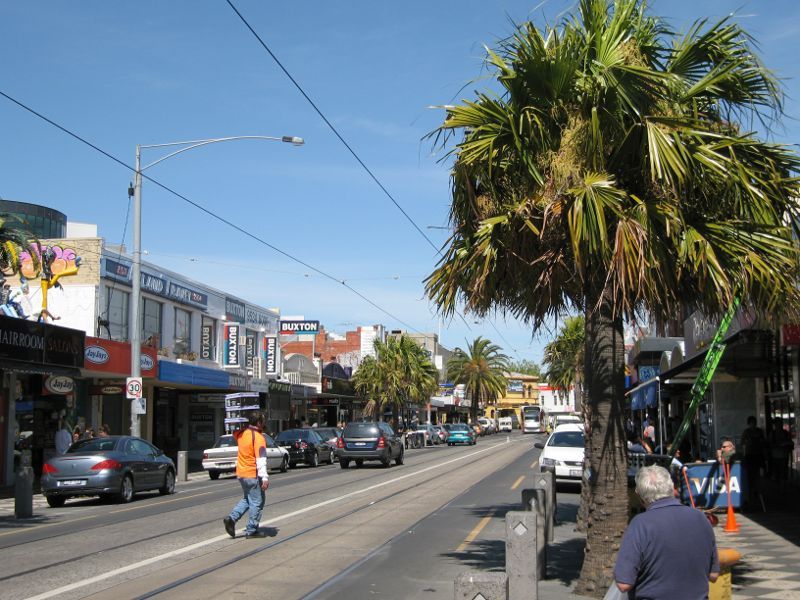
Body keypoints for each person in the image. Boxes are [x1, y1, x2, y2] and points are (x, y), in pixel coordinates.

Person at [614, 465, 719, 599]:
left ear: (640, 496)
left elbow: (624, 583)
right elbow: (713, 575)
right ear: (672, 488)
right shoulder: (701, 518)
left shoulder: (640, 524)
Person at [223, 411, 270, 539]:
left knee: (247, 499)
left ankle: (231, 519)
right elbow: (261, 459)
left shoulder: (242, 434)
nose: (264, 423)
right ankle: (252, 530)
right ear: (259, 422)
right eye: (263, 421)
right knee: (257, 501)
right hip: (252, 473)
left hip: (241, 473)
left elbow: (235, 432)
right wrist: (264, 477)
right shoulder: (259, 438)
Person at [739, 416, 766, 508]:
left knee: (757, 475)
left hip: (758, 455)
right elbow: (742, 443)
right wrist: (747, 444)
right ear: (749, 423)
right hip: (750, 455)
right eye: (751, 423)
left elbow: (764, 442)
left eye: (754, 422)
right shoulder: (746, 432)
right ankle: (751, 494)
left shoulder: (759, 431)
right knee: (750, 476)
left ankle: (757, 491)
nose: (753, 424)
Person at [767, 418, 794, 489]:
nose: (779, 425)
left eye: (780, 423)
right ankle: (780, 488)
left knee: (782, 473)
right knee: (778, 473)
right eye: (777, 423)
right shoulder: (773, 433)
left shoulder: (785, 433)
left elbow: (790, 443)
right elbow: (769, 445)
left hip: (782, 456)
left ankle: (781, 488)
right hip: (776, 456)